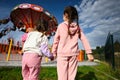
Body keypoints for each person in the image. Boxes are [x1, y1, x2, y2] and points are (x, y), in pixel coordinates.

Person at [52, 6, 94, 80]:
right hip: (73, 54)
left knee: (62, 76)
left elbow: (56, 41)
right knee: (72, 76)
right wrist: (89, 53)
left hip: (62, 54)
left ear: (65, 15)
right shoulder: (77, 27)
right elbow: (84, 39)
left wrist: (54, 52)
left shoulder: (61, 26)